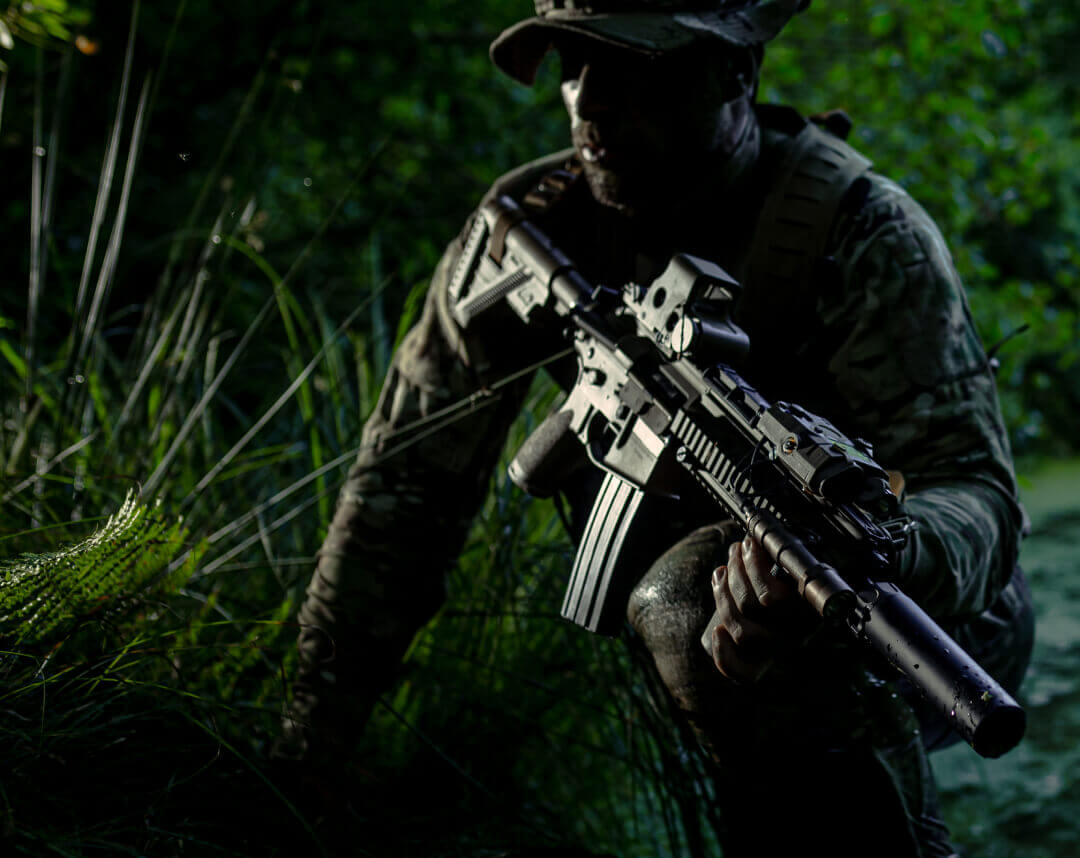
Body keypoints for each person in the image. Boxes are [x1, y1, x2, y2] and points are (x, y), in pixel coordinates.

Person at [271, 1, 1033, 855]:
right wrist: (310, 742)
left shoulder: (859, 232)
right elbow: (402, 491)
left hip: (927, 619)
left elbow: (977, 493)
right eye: (572, 63)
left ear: (735, 74)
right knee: (690, 599)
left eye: (634, 67)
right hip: (686, 610)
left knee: (704, 595)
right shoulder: (533, 229)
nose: (589, 102)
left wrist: (888, 547)